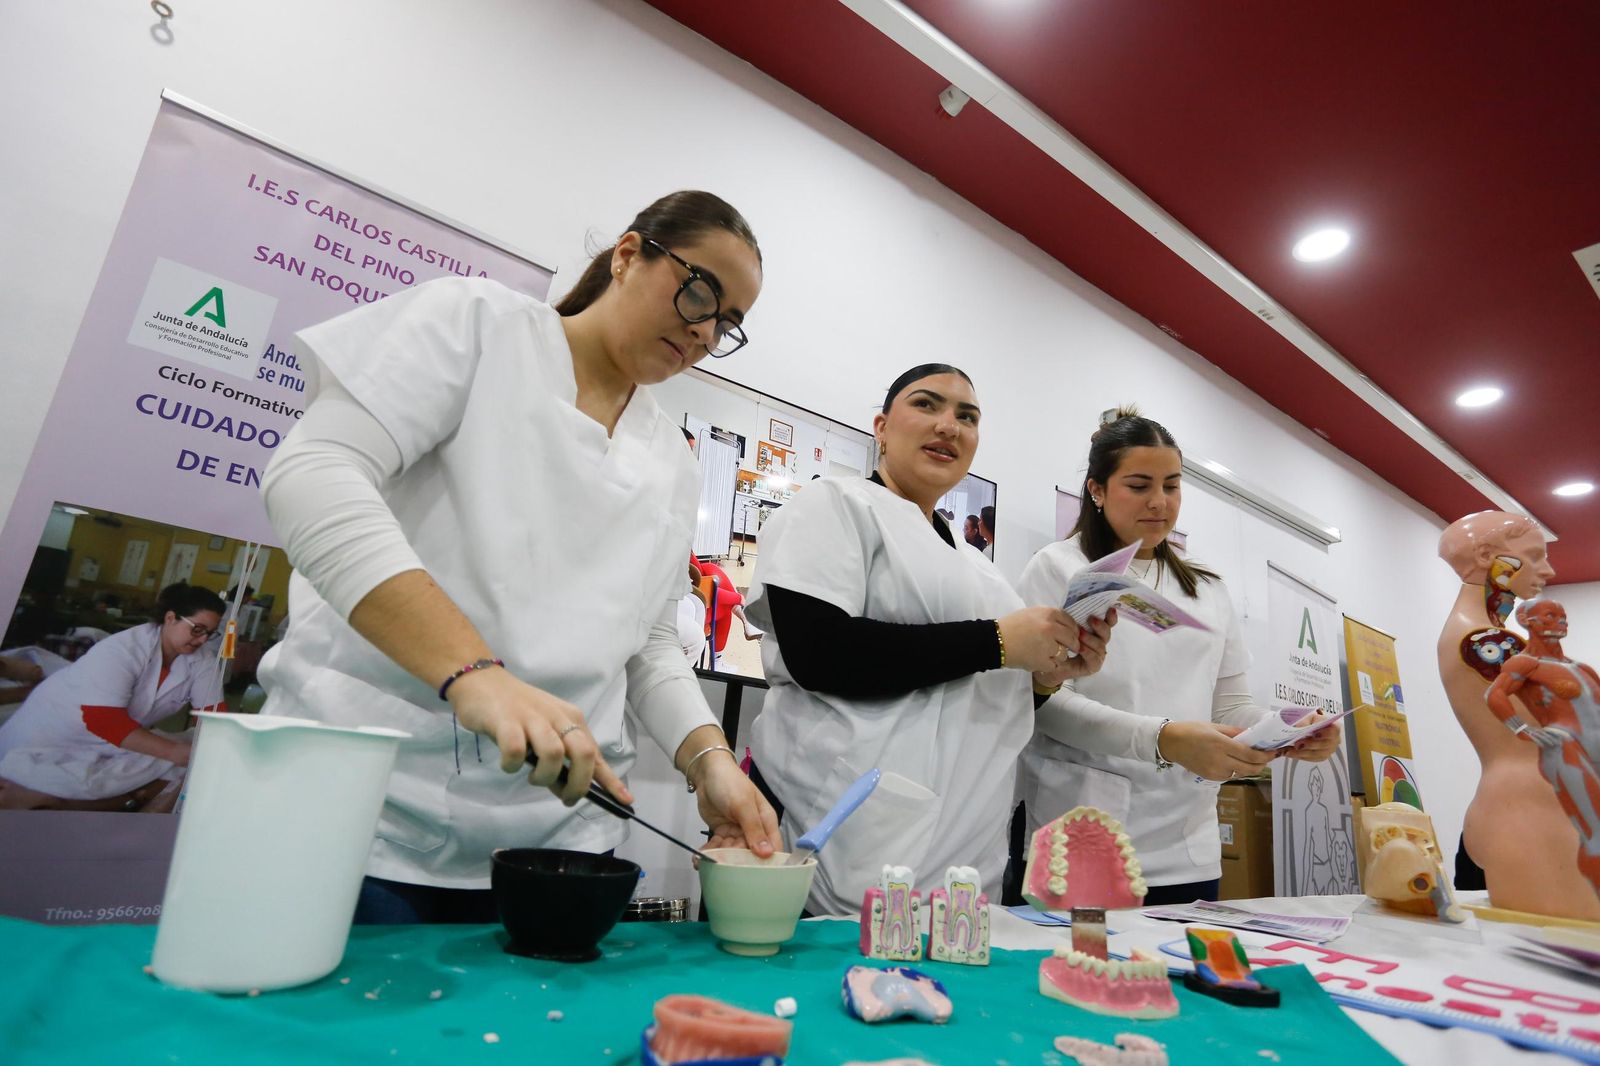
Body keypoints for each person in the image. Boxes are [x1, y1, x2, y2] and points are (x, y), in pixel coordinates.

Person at [258, 191, 779, 923]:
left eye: (726, 324)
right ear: (628, 256)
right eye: (699, 291)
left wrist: (710, 760)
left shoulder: (672, 460)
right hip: (361, 814)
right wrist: (474, 674)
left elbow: (652, 643)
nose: (702, 329)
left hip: (559, 844)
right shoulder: (477, 327)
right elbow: (313, 473)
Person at [743, 364, 1112, 915]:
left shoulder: (981, 571)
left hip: (962, 869)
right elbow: (818, 654)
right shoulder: (835, 505)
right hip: (838, 837)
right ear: (881, 428)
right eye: (926, 404)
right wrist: (997, 642)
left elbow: (978, 695)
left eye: (968, 417)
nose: (949, 426)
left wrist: (1044, 679)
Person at [1010, 409, 1341, 905]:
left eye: (1172, 486)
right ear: (1096, 489)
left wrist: (1289, 729)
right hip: (1079, 836)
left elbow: (1230, 706)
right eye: (1139, 485)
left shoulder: (1206, 586)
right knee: (1080, 957)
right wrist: (1164, 739)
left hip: (1187, 845)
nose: (1159, 502)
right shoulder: (1059, 568)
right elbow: (1043, 703)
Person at [0, 582, 224, 811]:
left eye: (209, 633)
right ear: (170, 618)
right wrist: (174, 752)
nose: (202, 640)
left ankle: (136, 802)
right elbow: (104, 720)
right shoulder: (122, 650)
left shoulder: (202, 660)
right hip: (50, 739)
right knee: (46, 788)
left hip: (110, 744)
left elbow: (214, 717)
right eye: (197, 629)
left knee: (187, 755)